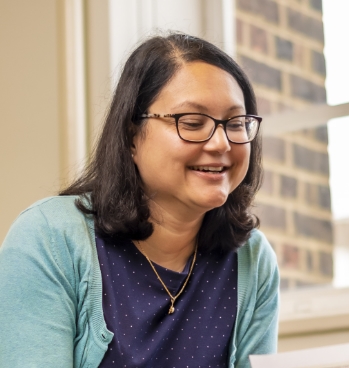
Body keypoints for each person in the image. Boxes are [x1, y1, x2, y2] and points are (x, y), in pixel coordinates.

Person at [0, 33, 279, 367]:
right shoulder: (49, 237)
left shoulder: (252, 260)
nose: (221, 143)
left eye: (235, 123)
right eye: (192, 122)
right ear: (132, 135)